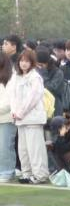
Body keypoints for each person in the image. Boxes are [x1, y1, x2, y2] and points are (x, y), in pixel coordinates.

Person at [10, 49, 49, 184]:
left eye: (27, 61)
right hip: (20, 119)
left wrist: (20, 112)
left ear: (32, 63)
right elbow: (13, 97)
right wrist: (14, 111)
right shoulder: (16, 77)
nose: (24, 63)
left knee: (35, 148)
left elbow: (32, 98)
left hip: (33, 118)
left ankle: (40, 175)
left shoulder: (35, 77)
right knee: (23, 149)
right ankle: (27, 173)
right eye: (21, 61)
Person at [0, 52, 12, 184]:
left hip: (6, 118)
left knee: (5, 147)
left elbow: (9, 102)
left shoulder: (10, 78)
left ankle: (6, 171)